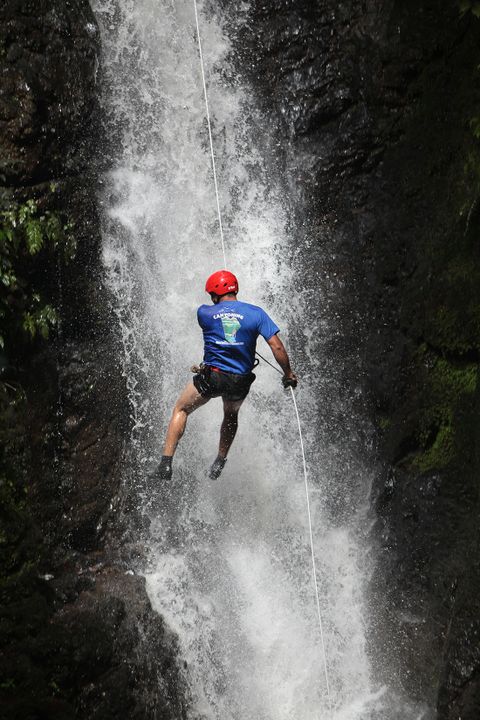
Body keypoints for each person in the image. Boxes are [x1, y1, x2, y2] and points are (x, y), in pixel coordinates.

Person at [155, 270, 298, 481]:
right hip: (239, 381)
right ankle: (220, 461)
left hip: (213, 377)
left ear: (214, 294)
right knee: (230, 414)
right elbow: (276, 346)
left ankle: (165, 465)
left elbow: (219, 318)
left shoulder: (204, 313)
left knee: (182, 408)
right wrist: (288, 374)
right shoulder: (257, 313)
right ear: (235, 289)